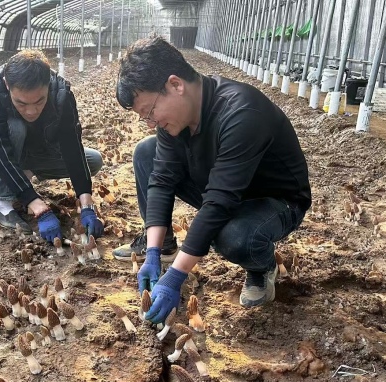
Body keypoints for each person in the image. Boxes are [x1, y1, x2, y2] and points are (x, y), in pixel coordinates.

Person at [112, 36, 311, 323]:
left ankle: (262, 267)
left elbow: (218, 202)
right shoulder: (176, 120)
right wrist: (153, 251)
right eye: (145, 117)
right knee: (147, 152)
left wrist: (176, 276)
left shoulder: (241, 112)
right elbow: (162, 179)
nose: (152, 122)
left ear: (175, 85)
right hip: (221, 185)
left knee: (234, 236)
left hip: (273, 200)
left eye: (150, 111)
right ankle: (164, 245)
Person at [0, 50, 104, 242]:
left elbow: (72, 147)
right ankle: (3, 206)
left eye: (39, 101)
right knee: (16, 127)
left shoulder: (61, 93)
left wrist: (86, 204)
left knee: (93, 160)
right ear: (7, 85)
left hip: (33, 149)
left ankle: (22, 177)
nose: (31, 111)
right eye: (21, 103)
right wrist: (37, 206)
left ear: (48, 86)